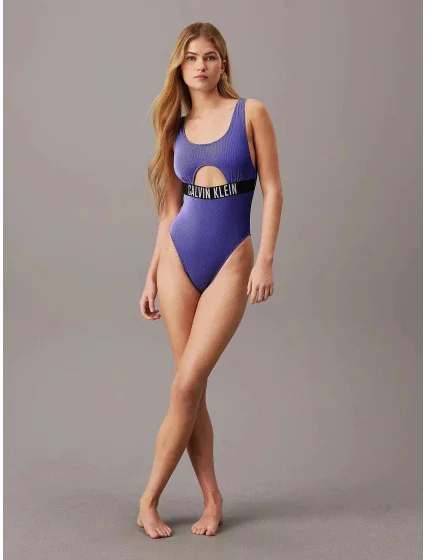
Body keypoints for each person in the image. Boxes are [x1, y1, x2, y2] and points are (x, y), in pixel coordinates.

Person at [137, 22, 283, 539]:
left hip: (231, 259)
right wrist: (151, 274)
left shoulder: (251, 113)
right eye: (192, 57)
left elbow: (273, 189)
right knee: (189, 385)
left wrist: (265, 261)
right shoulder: (174, 127)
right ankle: (211, 497)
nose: (201, 65)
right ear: (180, 67)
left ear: (224, 64)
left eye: (211, 56)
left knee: (186, 385)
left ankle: (147, 499)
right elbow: (169, 210)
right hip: (178, 257)